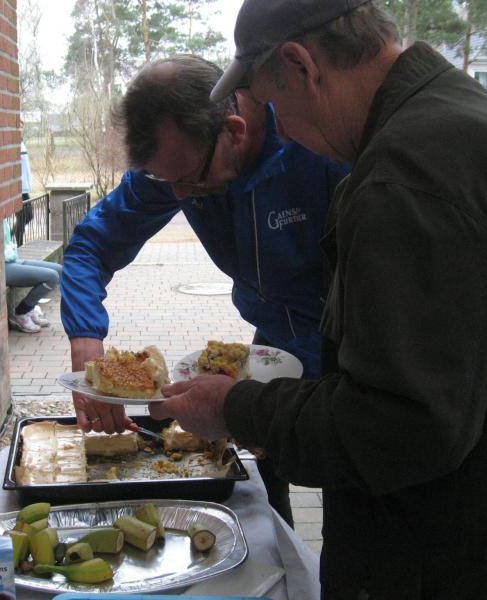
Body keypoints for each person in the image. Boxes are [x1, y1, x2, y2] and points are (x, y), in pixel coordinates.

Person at [150, 0, 487, 597]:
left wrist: (238, 409)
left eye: (274, 105)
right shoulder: (463, 120)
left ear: (303, 66)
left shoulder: (408, 174)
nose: (284, 132)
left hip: (456, 560)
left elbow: (398, 427)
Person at [60, 54, 348, 527]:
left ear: (234, 131)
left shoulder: (314, 150)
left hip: (345, 346)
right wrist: (86, 341)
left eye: (187, 180)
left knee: (345, 488)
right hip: (273, 347)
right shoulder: (181, 161)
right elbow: (90, 247)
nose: (177, 195)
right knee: (266, 478)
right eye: (165, 181)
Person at [4, 219, 61, 333]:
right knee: (52, 277)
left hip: (12, 259)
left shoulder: (2, 216)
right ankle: (21, 312)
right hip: (2, 266)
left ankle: (30, 308)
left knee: (60, 270)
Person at [13, 119, 34, 247]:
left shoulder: (21, 143)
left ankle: (13, 234)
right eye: (18, 126)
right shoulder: (14, 145)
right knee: (24, 217)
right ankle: (19, 245)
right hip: (18, 189)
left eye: (22, 127)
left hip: (24, 188)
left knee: (29, 216)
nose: (21, 129)